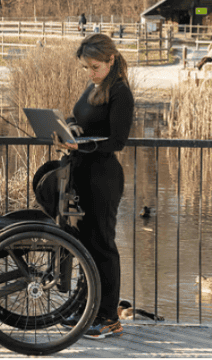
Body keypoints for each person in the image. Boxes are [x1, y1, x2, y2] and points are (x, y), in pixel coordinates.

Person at [56, 33, 134, 339]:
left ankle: (108, 317)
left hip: (103, 177)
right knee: (86, 245)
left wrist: (82, 145)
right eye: (87, 67)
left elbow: (118, 141)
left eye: (96, 66)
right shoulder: (95, 86)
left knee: (103, 245)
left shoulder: (120, 92)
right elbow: (79, 117)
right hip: (83, 172)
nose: (90, 71)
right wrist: (69, 128)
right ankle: (87, 308)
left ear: (111, 60)